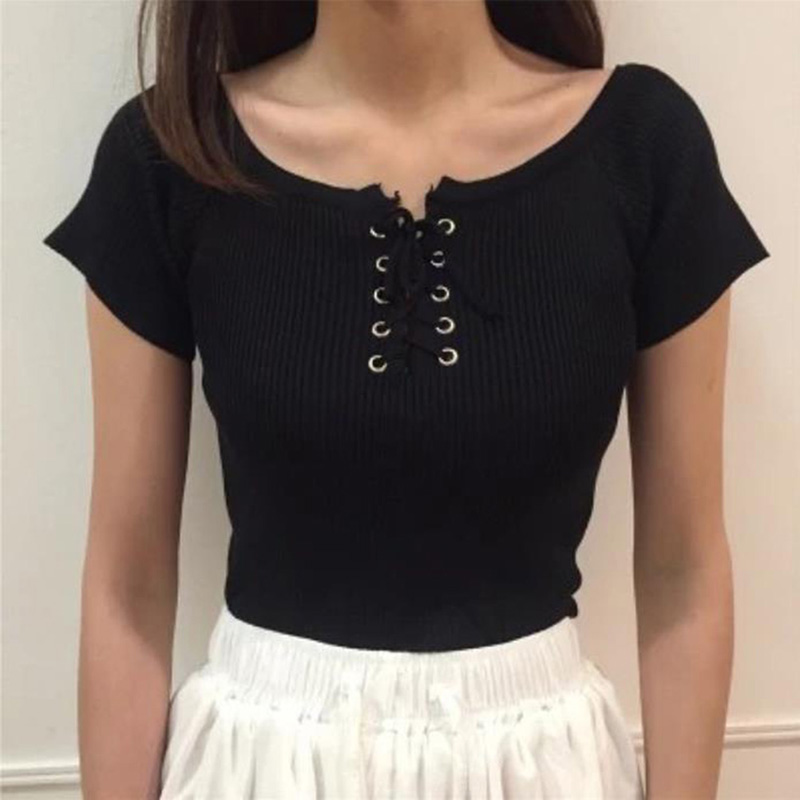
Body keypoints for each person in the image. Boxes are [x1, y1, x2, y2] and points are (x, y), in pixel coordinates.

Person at [42, 0, 771, 798]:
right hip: (257, 770)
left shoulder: (644, 148)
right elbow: (128, 583)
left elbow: (683, 571)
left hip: (543, 770)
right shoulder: (171, 158)